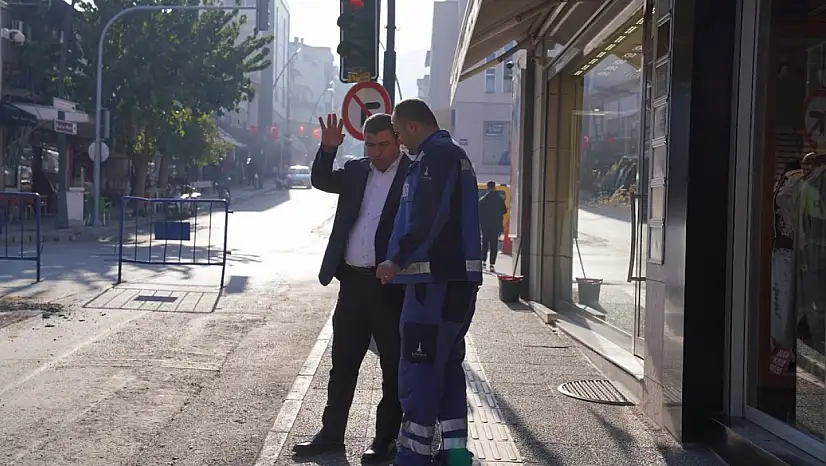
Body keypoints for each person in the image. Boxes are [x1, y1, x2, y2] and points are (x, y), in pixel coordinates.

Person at [293, 113, 409, 463]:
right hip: (353, 283)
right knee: (343, 364)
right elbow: (322, 178)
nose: (376, 152)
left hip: (390, 286)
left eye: (384, 144)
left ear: (398, 140)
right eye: (370, 145)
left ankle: (384, 440)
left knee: (392, 366)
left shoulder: (413, 174)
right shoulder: (358, 170)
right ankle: (331, 437)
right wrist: (328, 147)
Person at [375, 98, 482, 466]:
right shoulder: (455, 156)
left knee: (419, 371)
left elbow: (425, 215)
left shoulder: (434, 158)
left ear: (413, 126)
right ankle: (454, 454)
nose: (400, 141)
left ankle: (412, 456)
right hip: (457, 284)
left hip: (431, 286)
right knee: (448, 367)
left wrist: (396, 259)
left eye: (399, 131)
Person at [478, 180, 507, 272]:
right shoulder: (499, 199)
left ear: (487, 187)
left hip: (485, 226)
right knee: (494, 244)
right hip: (495, 225)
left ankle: (483, 262)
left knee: (485, 244)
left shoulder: (483, 200)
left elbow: (478, 213)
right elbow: (504, 211)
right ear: (494, 187)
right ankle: (492, 265)